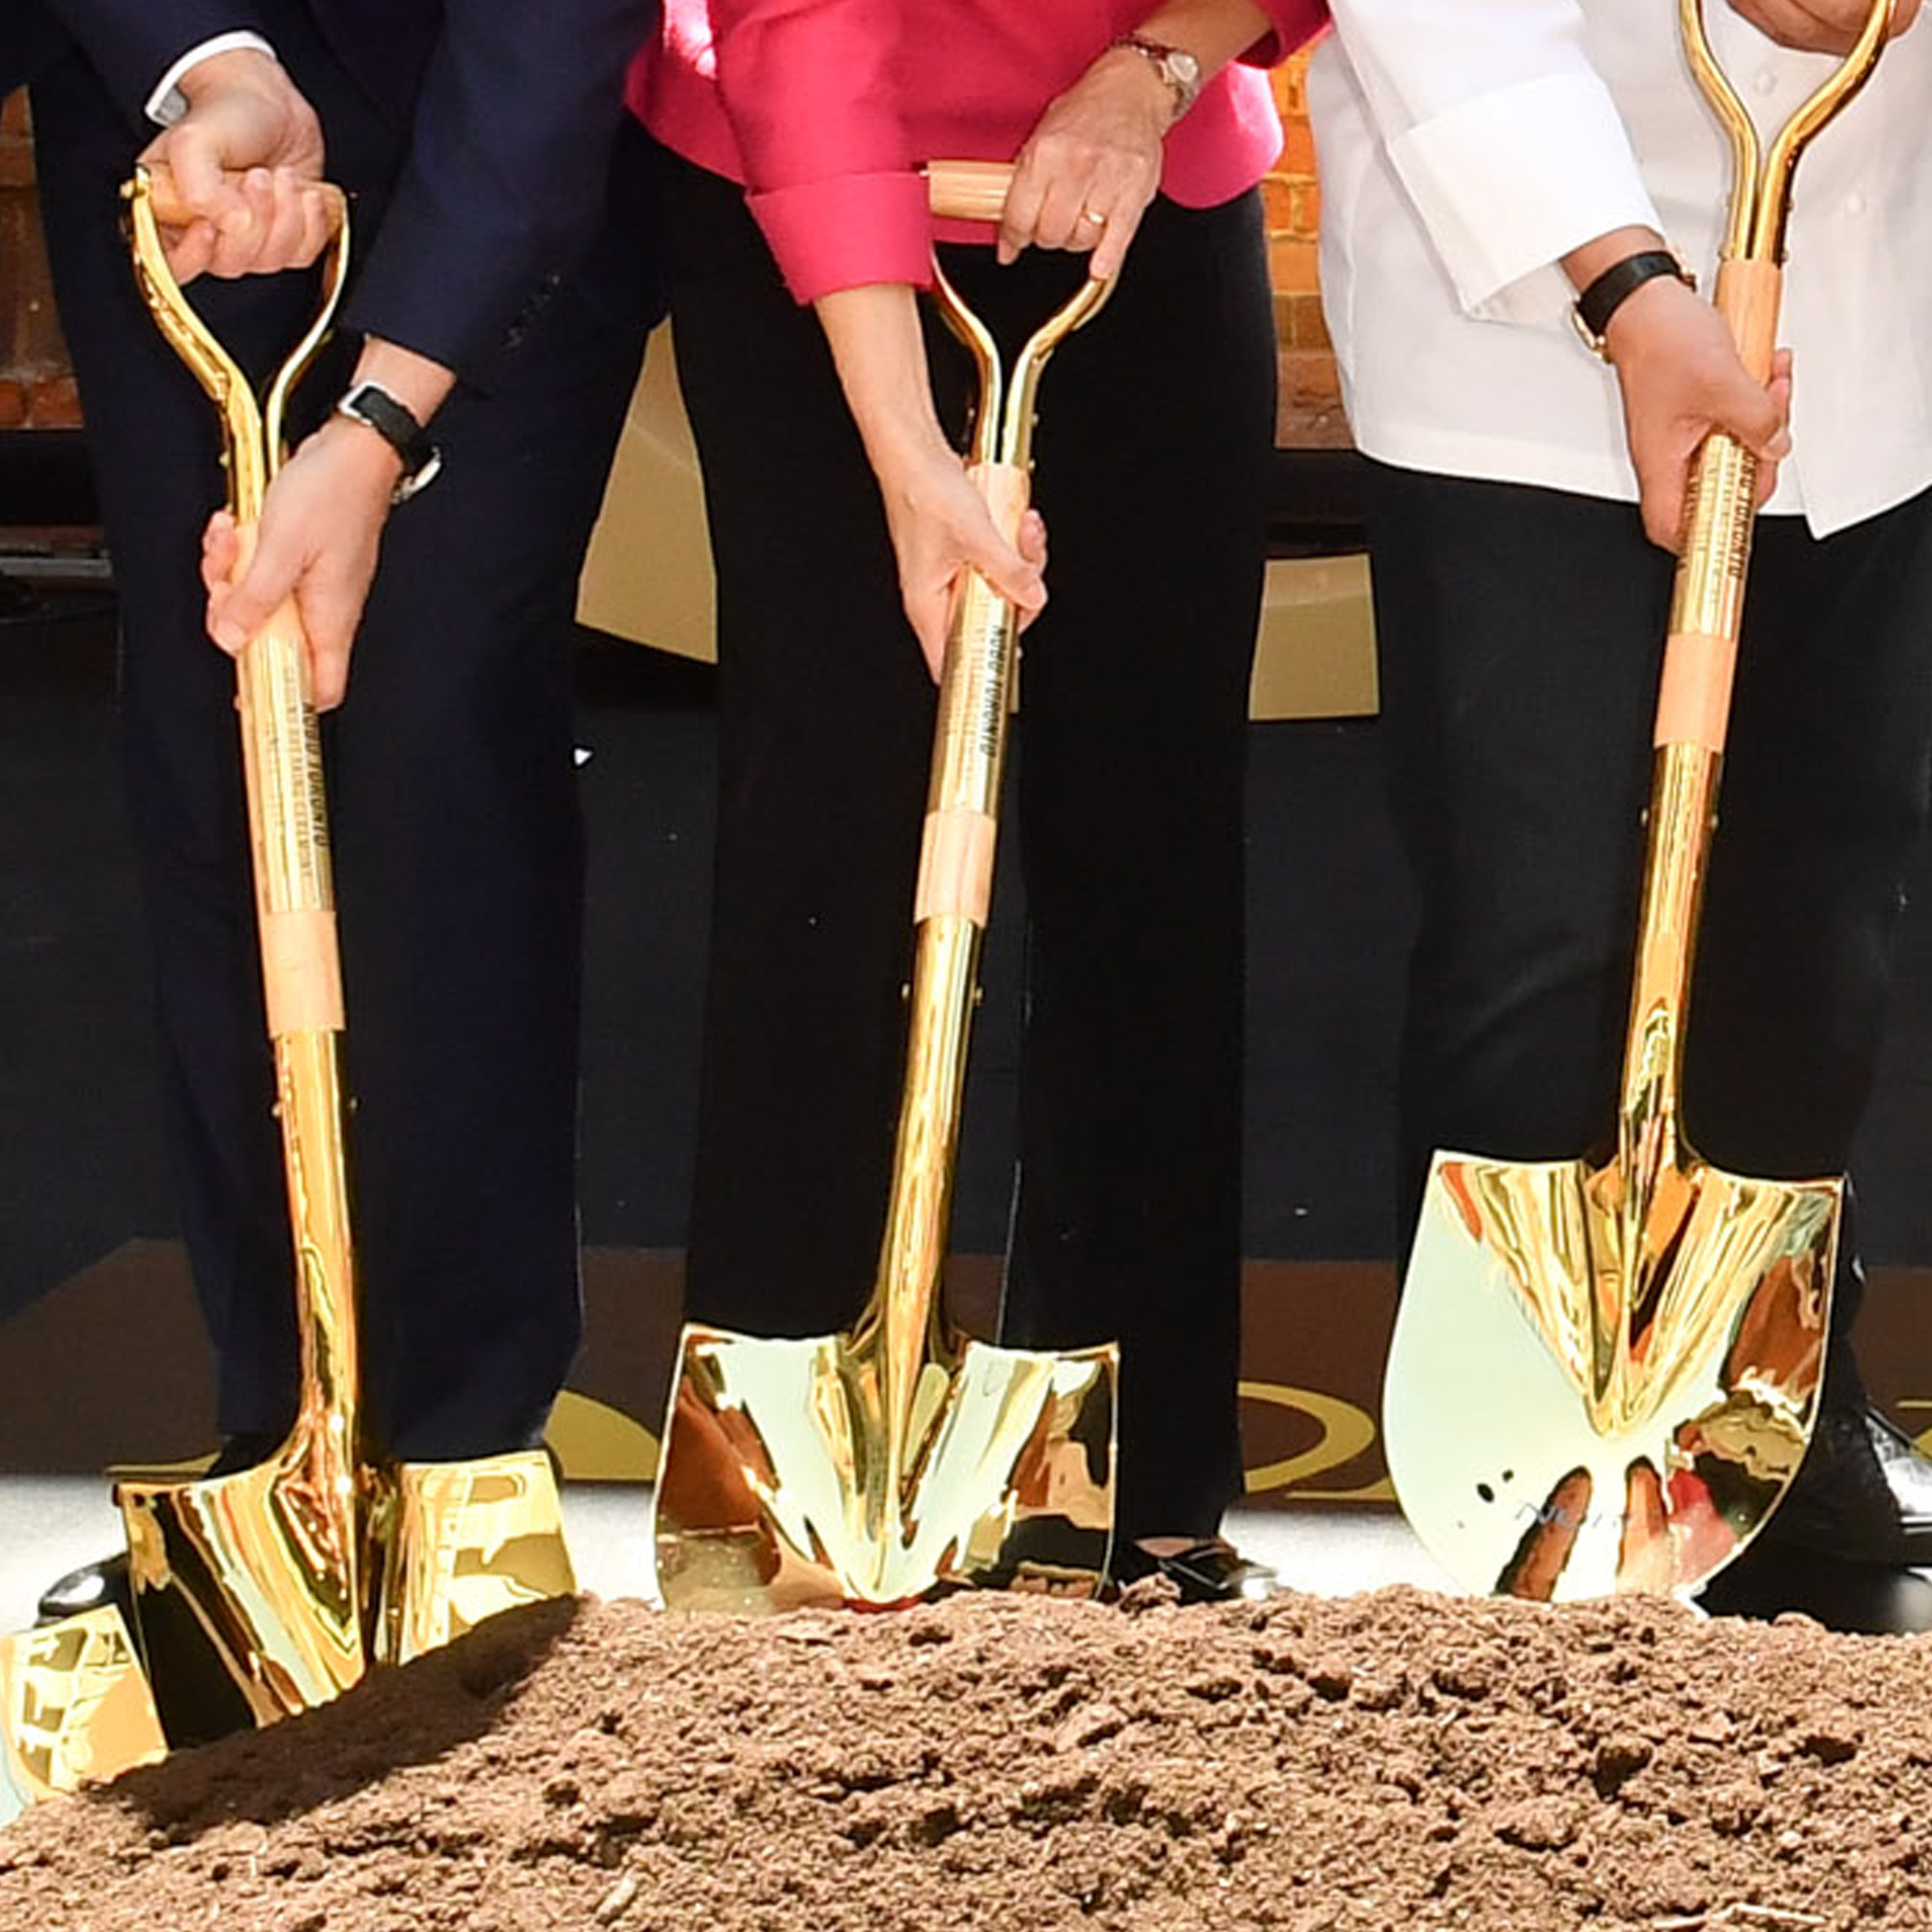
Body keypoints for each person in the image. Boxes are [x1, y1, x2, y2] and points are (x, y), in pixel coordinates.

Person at [630, 0, 1326, 1601]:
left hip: (1148, 176)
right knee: (833, 815)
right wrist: (901, 446)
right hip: (811, 186)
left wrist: (1154, 75)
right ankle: (796, 1484)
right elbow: (799, 29)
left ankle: (1141, 1491)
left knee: (1148, 836)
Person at [9, 0, 665, 1614]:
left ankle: (453, 1449)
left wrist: (374, 429)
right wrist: (204, 60)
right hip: (188, 161)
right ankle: (279, 1443)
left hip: (501, 174)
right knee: (223, 760)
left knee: (442, 753)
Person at [1310, 0, 1932, 1628]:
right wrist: (1629, 286)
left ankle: (1772, 1414)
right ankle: (1522, 1461)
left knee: (1816, 920)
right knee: (1545, 930)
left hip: (1875, 328)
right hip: (1525, 335)